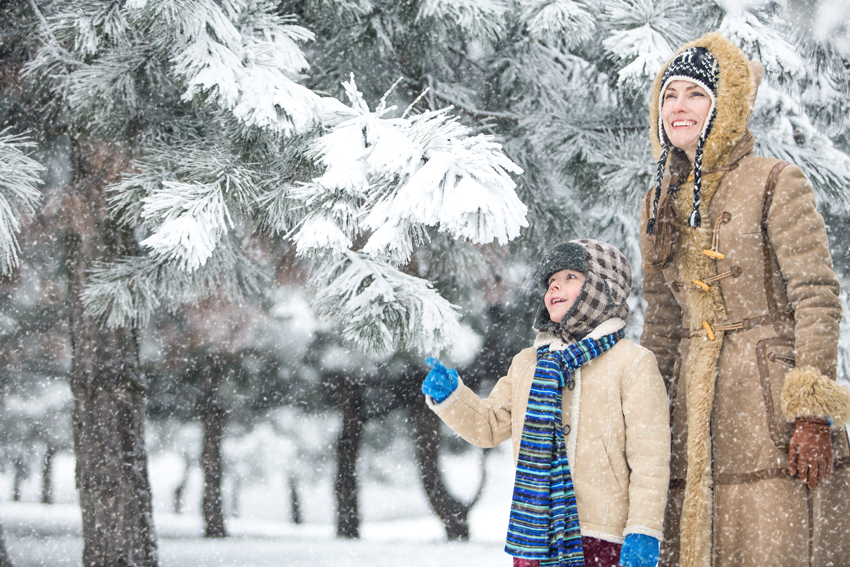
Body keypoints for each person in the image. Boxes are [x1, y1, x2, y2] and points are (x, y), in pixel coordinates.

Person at [639, 32, 850, 567]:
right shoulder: (658, 200)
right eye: (670, 94)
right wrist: (643, 414)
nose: (679, 106)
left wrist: (812, 412)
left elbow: (816, 296)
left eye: (696, 94)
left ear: (725, 106)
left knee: (773, 543)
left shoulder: (776, 181)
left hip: (768, 404)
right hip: (691, 407)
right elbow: (661, 322)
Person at [423, 239, 670, 567]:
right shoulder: (528, 364)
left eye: (570, 276)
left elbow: (650, 460)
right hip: (537, 537)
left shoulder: (632, 362)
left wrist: (644, 529)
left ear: (604, 287)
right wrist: (451, 398)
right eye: (551, 280)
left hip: (603, 539)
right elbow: (489, 426)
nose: (555, 284)